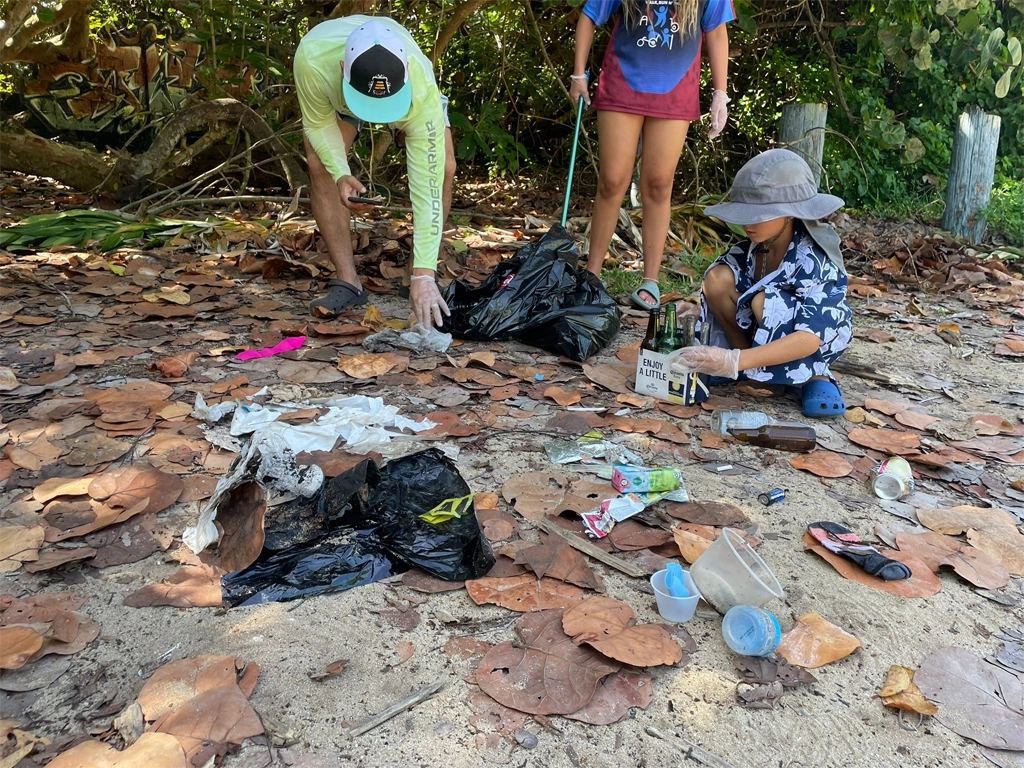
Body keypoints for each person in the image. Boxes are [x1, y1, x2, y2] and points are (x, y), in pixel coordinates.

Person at [294, 16, 457, 328]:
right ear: (343, 68)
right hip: (338, 95)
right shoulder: (312, 59)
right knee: (320, 164)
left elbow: (427, 181)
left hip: (409, 99)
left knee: (445, 168)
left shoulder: (419, 82)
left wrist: (425, 271)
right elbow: (317, 124)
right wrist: (341, 173)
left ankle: (418, 277)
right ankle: (348, 283)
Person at [571, 0, 734, 310]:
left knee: (659, 185)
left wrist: (720, 93)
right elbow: (590, 14)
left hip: (676, 92)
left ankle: (650, 281)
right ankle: (592, 275)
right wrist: (579, 74)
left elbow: (715, 31)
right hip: (621, 86)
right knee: (611, 181)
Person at [671, 149, 852, 417]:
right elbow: (721, 290)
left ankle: (815, 377)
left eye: (760, 214)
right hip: (757, 335)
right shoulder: (750, 248)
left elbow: (810, 337)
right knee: (717, 278)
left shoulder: (814, 259)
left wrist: (732, 361)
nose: (748, 223)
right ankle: (750, 370)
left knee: (765, 301)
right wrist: (700, 316)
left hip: (810, 340)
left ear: (790, 213)